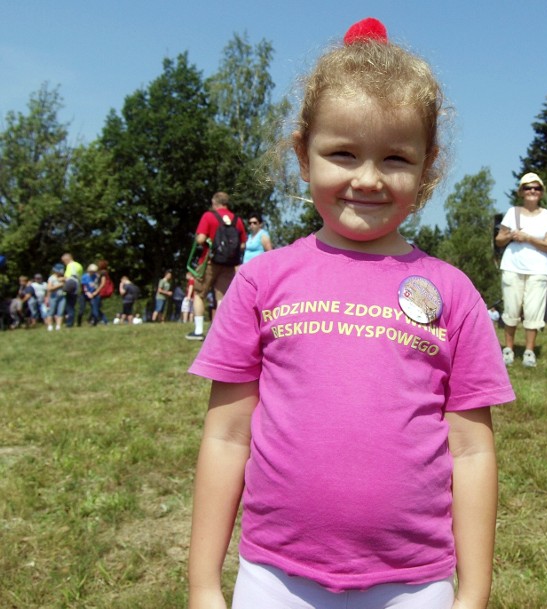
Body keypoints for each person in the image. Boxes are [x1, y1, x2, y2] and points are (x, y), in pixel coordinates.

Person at [187, 18, 514, 609]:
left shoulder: (455, 293)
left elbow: (471, 450)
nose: (367, 179)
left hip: (414, 583)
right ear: (302, 155)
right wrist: (204, 585)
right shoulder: (262, 280)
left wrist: (474, 593)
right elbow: (228, 436)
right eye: (342, 153)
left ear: (427, 165)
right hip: (273, 577)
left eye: (394, 157)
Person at [494, 172, 547, 367]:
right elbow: (499, 239)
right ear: (521, 192)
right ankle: (509, 349)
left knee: (533, 311)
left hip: (538, 269)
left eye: (536, 188)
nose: (532, 191)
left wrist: (528, 238)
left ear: (541, 192)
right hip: (513, 266)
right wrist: (511, 235)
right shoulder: (513, 213)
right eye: (528, 188)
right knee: (511, 308)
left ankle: (529, 351)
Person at [186, 192, 247, 340]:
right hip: (229, 264)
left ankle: (199, 331)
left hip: (209, 262)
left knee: (200, 294)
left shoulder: (209, 216)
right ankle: (218, 333)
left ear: (215, 203)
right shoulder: (237, 220)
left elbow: (200, 239)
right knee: (222, 297)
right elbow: (243, 244)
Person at [62, 253, 84, 327]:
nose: (64, 263)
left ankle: (69, 323)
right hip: (77, 287)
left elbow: (68, 277)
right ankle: (71, 321)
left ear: (67, 259)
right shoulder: (79, 265)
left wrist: (59, 279)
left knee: (69, 306)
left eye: (64, 261)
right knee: (72, 305)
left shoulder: (70, 265)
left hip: (71, 287)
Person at [45, 263, 66, 331]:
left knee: (60, 312)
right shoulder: (51, 278)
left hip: (62, 296)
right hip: (53, 297)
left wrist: (64, 280)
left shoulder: (64, 277)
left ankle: (58, 326)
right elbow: (49, 288)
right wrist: (59, 285)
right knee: (51, 311)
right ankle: (50, 326)